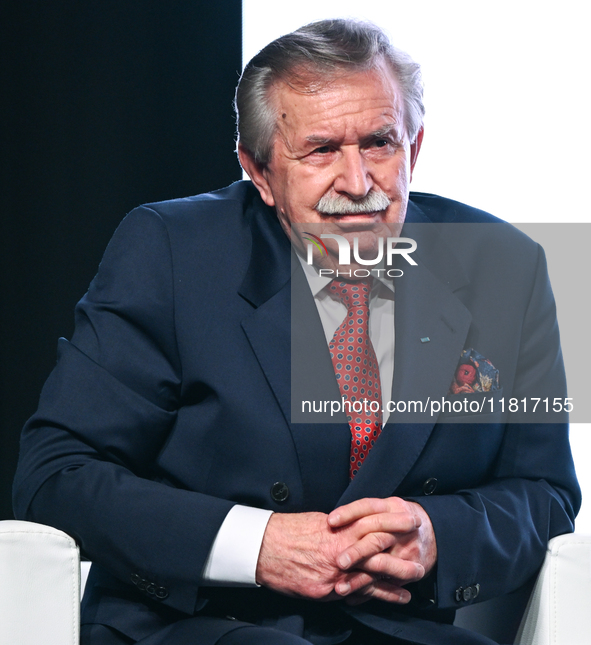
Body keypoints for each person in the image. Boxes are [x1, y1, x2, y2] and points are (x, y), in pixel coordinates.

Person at [13, 18, 580, 645]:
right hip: (202, 625)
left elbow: (545, 491)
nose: (358, 184)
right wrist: (257, 544)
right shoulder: (172, 252)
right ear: (259, 171)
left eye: (379, 144)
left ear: (413, 148)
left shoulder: (505, 265)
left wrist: (436, 533)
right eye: (321, 151)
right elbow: (57, 475)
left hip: (400, 631)